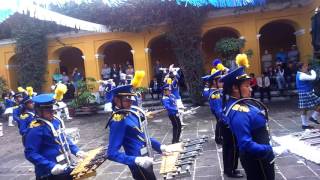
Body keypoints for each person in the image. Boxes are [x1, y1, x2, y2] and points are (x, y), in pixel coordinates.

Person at [220, 53, 285, 180]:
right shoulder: (238, 110)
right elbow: (245, 143)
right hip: (258, 158)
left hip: (259, 155)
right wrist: (268, 149)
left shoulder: (241, 103)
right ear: (234, 87)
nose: (250, 89)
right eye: (246, 86)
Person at [106, 84, 171, 180]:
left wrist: (160, 147)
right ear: (116, 100)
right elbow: (111, 153)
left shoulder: (131, 112)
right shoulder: (118, 120)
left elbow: (141, 135)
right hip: (137, 163)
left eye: (131, 100)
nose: (130, 103)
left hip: (146, 157)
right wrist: (136, 160)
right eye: (126, 100)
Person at [24, 94, 86, 180]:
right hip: (49, 172)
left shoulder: (56, 121)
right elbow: (30, 153)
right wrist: (50, 166)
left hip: (65, 167)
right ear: (38, 111)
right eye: (48, 110)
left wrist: (76, 151)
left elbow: (64, 139)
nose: (52, 112)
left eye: (52, 109)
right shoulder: (35, 129)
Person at [296, 62, 320, 129]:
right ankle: (313, 117)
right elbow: (313, 77)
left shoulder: (299, 74)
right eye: (304, 67)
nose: (306, 68)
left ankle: (305, 125)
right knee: (306, 109)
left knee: (305, 109)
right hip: (306, 93)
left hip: (304, 93)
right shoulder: (302, 75)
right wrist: (313, 70)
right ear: (300, 68)